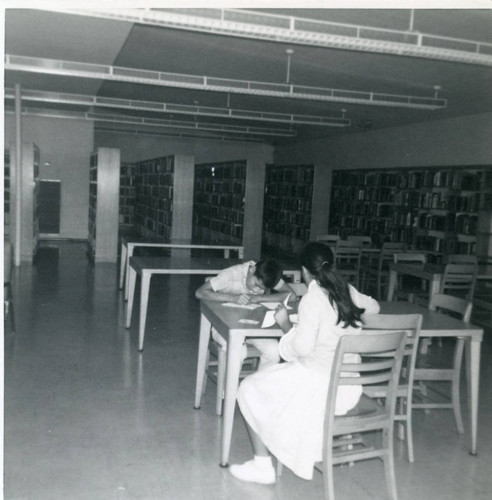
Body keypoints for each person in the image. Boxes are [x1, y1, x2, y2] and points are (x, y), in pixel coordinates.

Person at [229, 242, 380, 484]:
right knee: (276, 383)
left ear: (304, 271)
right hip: (349, 387)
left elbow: (298, 350)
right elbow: (373, 308)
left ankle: (262, 465)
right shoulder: (347, 290)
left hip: (318, 388)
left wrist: (285, 324)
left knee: (248, 388)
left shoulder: (313, 299)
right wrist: (345, 326)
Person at [195, 259, 295, 370]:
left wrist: (260, 298)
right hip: (223, 327)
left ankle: (257, 386)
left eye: (262, 289)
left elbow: (291, 296)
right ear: (253, 269)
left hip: (251, 328)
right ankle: (228, 388)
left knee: (274, 351)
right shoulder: (230, 274)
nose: (256, 289)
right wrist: (233, 298)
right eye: (256, 284)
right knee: (238, 350)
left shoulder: (267, 273)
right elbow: (200, 292)